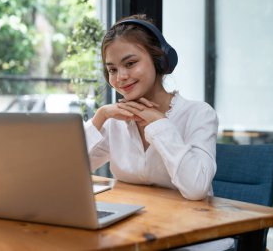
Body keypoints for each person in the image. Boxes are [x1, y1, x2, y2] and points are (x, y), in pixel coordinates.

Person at [84, 14, 234, 251]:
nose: (120, 77)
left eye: (130, 63)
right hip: (136, 233)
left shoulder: (199, 114)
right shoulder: (115, 120)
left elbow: (196, 188)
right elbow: (68, 171)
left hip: (191, 238)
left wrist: (159, 123)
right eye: (112, 69)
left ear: (159, 60)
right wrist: (100, 117)